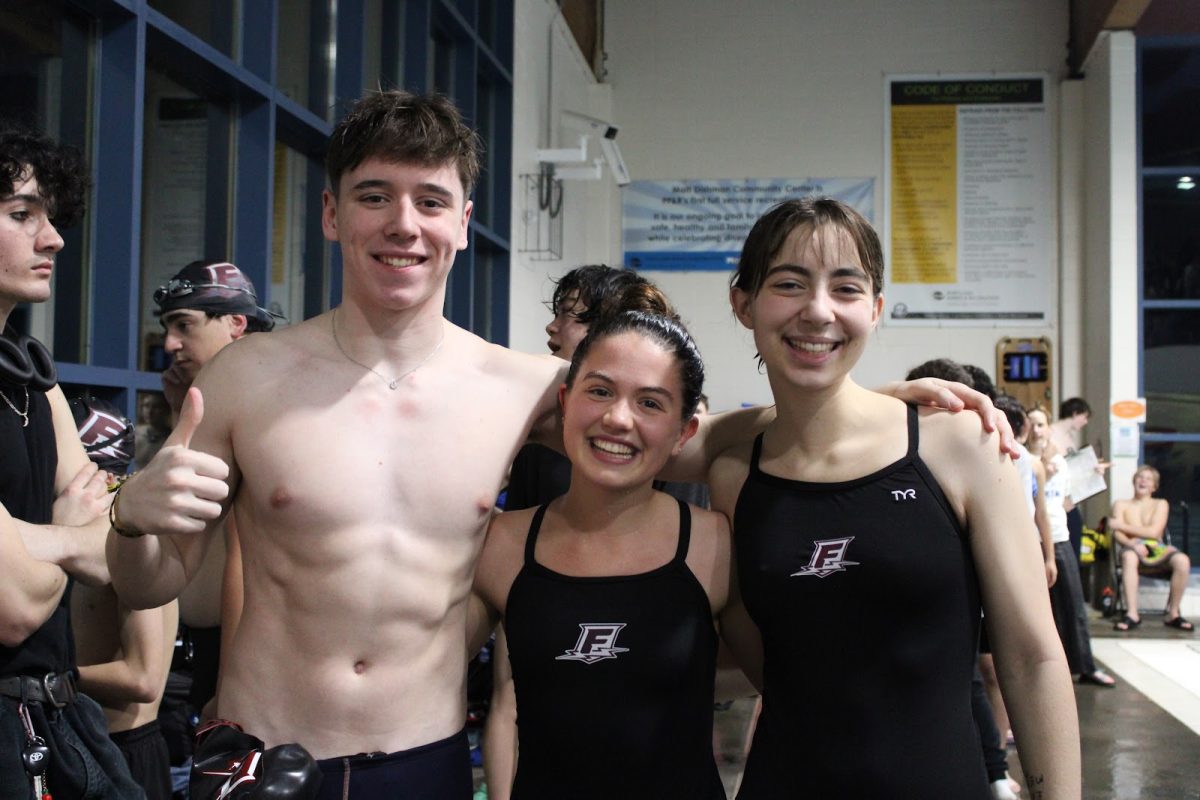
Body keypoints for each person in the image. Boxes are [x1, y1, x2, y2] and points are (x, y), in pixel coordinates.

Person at [107, 91, 1011, 799]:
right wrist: (131, 525)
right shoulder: (246, 378)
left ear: (464, 222)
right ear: (332, 214)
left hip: (422, 762)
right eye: (374, 196)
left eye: (432, 201)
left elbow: (669, 436)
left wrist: (868, 405)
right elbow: (159, 587)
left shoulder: (521, 390)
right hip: (267, 756)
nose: (404, 225)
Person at [709, 198, 1080, 798]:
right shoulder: (733, 476)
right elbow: (765, 666)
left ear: (876, 309)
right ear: (743, 304)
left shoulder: (960, 443)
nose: (818, 310)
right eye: (789, 283)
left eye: (846, 288)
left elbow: (1033, 658)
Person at [470, 311, 729, 799]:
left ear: (684, 432)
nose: (617, 418)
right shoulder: (502, 547)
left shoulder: (713, 547)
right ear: (565, 402)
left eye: (650, 402)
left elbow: (791, 681)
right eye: (600, 390)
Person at [485, 264, 676, 798]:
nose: (551, 328)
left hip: (631, 591)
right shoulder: (530, 416)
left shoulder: (658, 428)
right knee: (511, 692)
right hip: (538, 581)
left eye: (567, 316)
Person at [1, 124, 144, 799]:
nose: (53, 238)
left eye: (49, 216)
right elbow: (15, 606)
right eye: (21, 214)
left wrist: (33, 539)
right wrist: (68, 526)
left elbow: (112, 549)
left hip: (57, 727)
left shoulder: (29, 372)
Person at [149, 259, 277, 790]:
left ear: (236, 324)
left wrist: (229, 692)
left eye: (185, 325)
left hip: (243, 662)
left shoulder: (261, 409)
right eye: (168, 330)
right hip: (208, 653)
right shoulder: (201, 405)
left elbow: (242, 551)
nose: (172, 343)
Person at [69, 396, 180, 800]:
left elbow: (143, 678)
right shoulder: (85, 533)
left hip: (126, 750)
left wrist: (54, 677)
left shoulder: (128, 537)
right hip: (89, 743)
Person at [1025, 406, 1116, 686]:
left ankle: (1084, 665)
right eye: (1031, 425)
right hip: (1031, 538)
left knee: (1074, 605)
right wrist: (1045, 472)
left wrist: (1091, 476)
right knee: (1038, 610)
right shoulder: (1023, 460)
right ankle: (1042, 668)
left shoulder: (1060, 460)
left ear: (1049, 428)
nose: (1037, 430)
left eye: (1041, 425)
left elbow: (1066, 498)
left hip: (1059, 536)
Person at [1109, 465, 1193, 632]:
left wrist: (1122, 525)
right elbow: (1117, 533)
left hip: (1156, 549)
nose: (1143, 481)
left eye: (1148, 479)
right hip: (1132, 548)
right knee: (1128, 557)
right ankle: (1132, 613)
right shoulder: (1121, 504)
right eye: (1140, 477)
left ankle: (1173, 613)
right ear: (1134, 481)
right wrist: (1133, 543)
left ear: (1154, 486)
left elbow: (1154, 533)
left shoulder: (1160, 504)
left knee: (1182, 560)